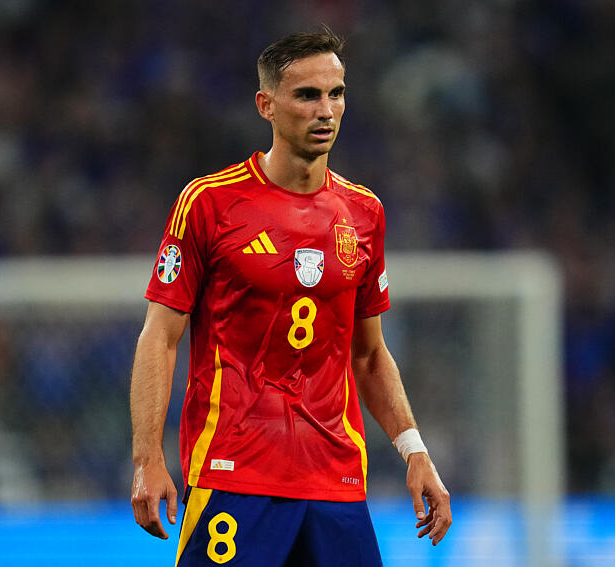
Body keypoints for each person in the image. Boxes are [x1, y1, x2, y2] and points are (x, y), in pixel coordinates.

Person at [130, 28, 451, 566]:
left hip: (337, 479)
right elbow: (160, 336)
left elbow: (369, 354)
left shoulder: (364, 214)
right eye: (307, 95)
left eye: (337, 93)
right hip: (234, 472)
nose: (326, 110)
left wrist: (414, 452)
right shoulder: (209, 203)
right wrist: (146, 457)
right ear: (267, 105)